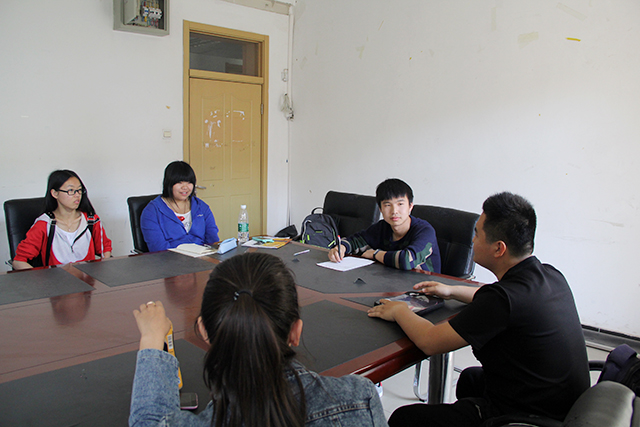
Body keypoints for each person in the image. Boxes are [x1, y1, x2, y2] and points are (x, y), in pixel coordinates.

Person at [368, 192, 590, 426]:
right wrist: (451, 290)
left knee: (404, 418)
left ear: (499, 248)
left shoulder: (501, 300)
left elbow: (429, 341)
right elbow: (499, 299)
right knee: (470, 379)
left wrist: (400, 310)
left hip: (528, 418)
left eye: (477, 234)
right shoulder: (550, 275)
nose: (472, 241)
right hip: (564, 406)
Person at [129, 252, 388, 427]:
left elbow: (149, 421)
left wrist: (152, 339)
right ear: (296, 332)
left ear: (204, 331)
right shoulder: (360, 399)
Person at [328, 178, 441, 272]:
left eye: (400, 204)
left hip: (425, 286)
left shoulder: (425, 231)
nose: (394, 211)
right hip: (391, 281)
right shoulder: (382, 227)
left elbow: (406, 260)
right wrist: (340, 248)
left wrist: (375, 254)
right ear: (380, 209)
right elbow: (356, 241)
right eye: (387, 205)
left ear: (410, 206)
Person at [12, 170, 112, 270]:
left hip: (88, 278)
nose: (77, 195)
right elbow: (18, 262)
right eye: (71, 190)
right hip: (55, 279)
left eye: (79, 190)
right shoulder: (44, 224)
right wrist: (40, 279)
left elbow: (105, 250)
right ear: (55, 193)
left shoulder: (92, 220)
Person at [141, 161, 219, 252]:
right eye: (179, 183)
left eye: (189, 182)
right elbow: (158, 248)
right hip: (171, 258)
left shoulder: (201, 206)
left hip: (203, 256)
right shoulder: (152, 211)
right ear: (169, 183)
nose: (185, 187)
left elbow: (212, 240)